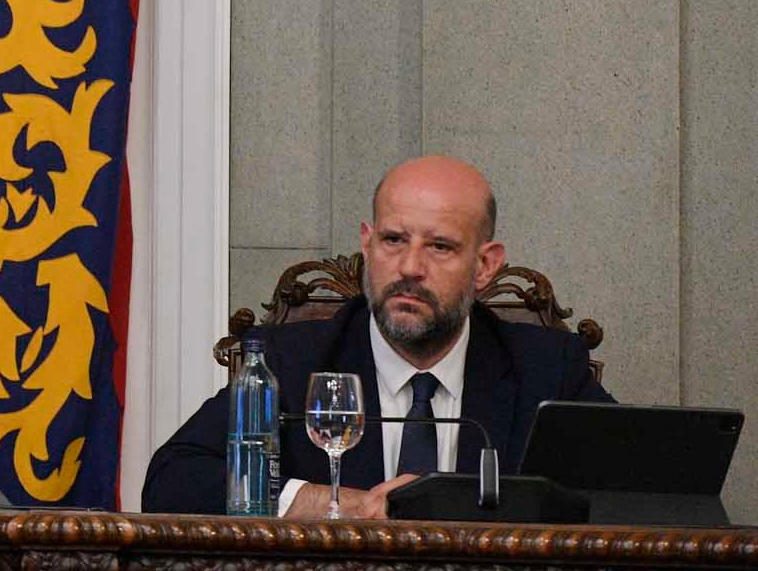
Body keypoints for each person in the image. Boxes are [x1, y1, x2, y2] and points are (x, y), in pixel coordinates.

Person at [143, 155, 613, 518]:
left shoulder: (547, 369)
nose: (410, 267)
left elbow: (634, 495)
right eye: (393, 241)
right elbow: (172, 481)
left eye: (440, 246)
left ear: (485, 265)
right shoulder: (291, 359)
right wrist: (337, 504)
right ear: (367, 244)